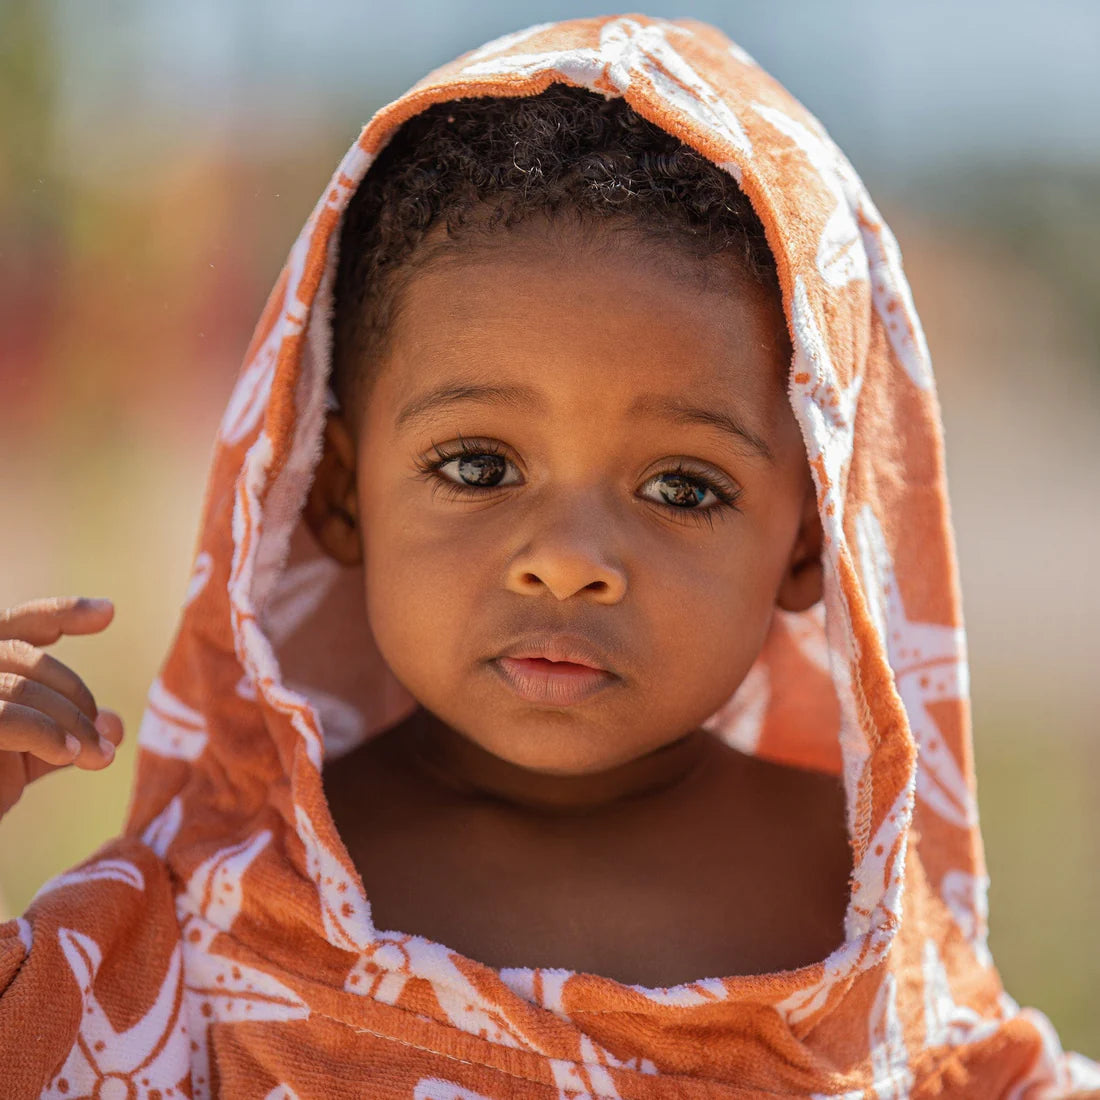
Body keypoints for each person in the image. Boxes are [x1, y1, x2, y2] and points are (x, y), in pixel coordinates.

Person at [0, 14, 1097, 1099]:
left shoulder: (867, 910)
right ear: (334, 494)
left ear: (813, 544)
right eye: (477, 465)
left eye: (681, 487)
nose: (567, 562)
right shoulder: (218, 894)